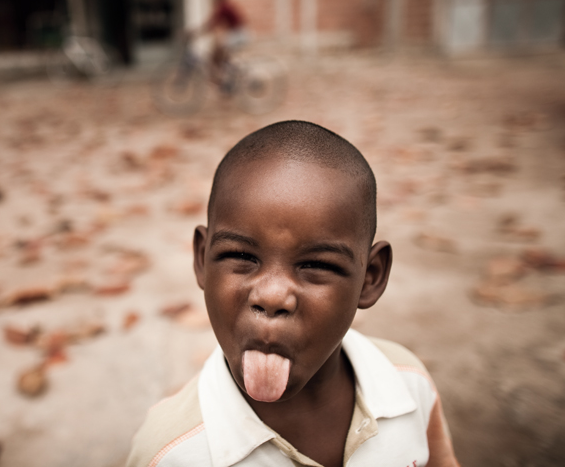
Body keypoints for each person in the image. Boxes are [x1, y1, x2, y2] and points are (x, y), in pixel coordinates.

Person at [126, 121, 460, 467]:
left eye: (316, 264)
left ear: (370, 278)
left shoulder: (408, 383)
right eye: (241, 256)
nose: (272, 296)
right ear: (202, 259)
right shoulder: (169, 452)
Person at [197, 0, 249, 88]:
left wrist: (197, 32)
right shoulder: (225, 4)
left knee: (216, 53)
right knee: (219, 55)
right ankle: (228, 77)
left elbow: (212, 23)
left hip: (238, 34)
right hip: (238, 33)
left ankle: (225, 80)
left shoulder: (223, 6)